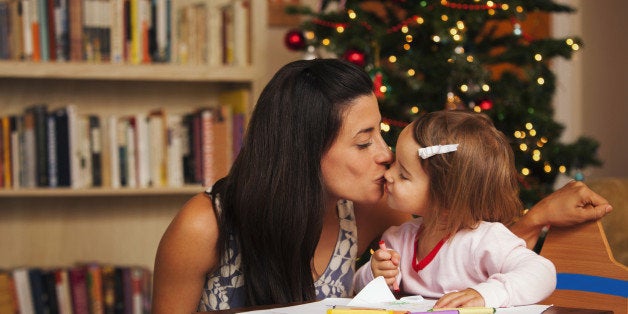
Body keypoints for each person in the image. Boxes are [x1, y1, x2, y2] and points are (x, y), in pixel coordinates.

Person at [151, 58, 612, 313]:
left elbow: (462, 246)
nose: (386, 154)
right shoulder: (204, 224)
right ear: (303, 152)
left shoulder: (369, 209)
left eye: (383, 133)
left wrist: (537, 218)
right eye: (363, 141)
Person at [353, 110, 557, 308]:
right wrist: (375, 274)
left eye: (404, 175)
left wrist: (486, 294)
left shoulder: (484, 240)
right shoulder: (398, 239)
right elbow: (357, 289)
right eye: (396, 163)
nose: (389, 174)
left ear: (446, 195)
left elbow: (543, 272)